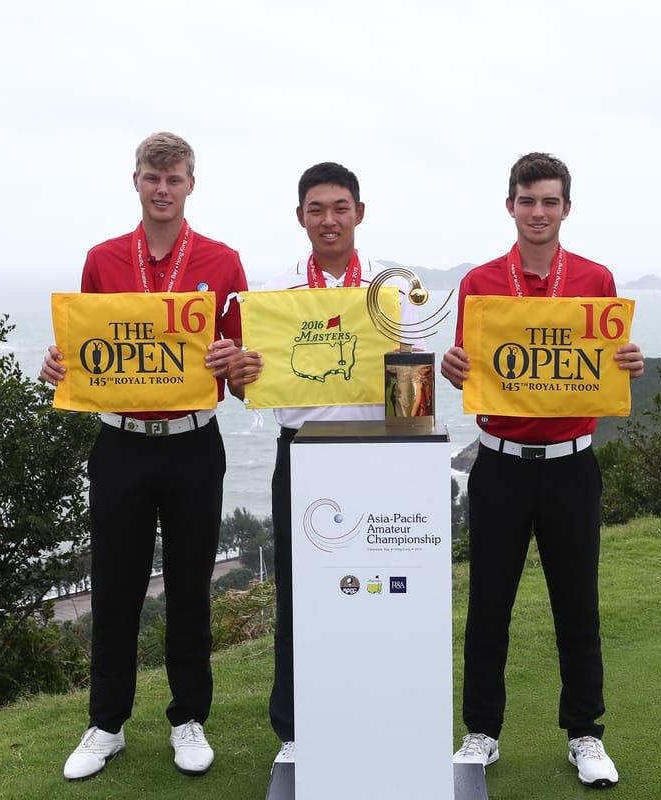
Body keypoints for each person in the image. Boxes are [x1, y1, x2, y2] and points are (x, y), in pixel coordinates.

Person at [40, 132, 247, 782]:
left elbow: (245, 373)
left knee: (189, 587)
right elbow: (86, 353)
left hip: (194, 442)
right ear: (136, 181)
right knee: (115, 587)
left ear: (190, 185)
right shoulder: (102, 260)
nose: (162, 189)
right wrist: (58, 366)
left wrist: (234, 360)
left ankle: (189, 719)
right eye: (152, 178)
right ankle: (107, 725)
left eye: (174, 178)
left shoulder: (223, 261)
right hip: (120, 444)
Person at [440, 152, 644, 788]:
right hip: (499, 465)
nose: (537, 212)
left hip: (571, 466)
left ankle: (586, 734)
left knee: (576, 606)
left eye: (549, 201)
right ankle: (481, 732)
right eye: (527, 201)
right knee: (488, 606)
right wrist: (453, 366)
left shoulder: (595, 278)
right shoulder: (480, 281)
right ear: (510, 205)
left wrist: (629, 362)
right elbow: (469, 364)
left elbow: (608, 358)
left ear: (566, 208)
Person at [224, 162, 417, 770]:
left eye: (340, 208)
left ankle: (380, 710)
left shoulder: (392, 292)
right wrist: (240, 376)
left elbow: (413, 398)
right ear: (300, 216)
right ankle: (295, 728)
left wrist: (409, 383)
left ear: (359, 212)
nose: (328, 220)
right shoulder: (274, 293)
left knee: (380, 589)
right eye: (316, 209)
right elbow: (245, 388)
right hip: (302, 452)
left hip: (378, 454)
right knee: (299, 594)